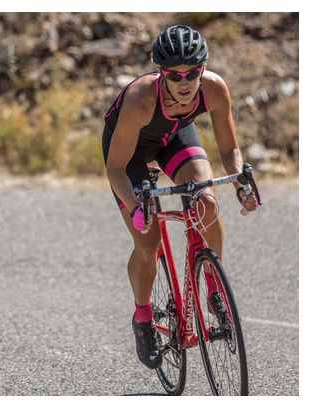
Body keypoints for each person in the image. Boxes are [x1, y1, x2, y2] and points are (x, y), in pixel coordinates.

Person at [102, 25, 258, 369]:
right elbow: (115, 168)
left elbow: (229, 147)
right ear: (162, 74)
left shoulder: (214, 89)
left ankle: (214, 289)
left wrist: (240, 184)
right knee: (148, 241)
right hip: (129, 156)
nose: (185, 83)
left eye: (193, 73)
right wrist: (135, 207)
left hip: (174, 137)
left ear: (203, 70)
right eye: (175, 75)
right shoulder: (141, 98)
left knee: (207, 203)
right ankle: (143, 318)